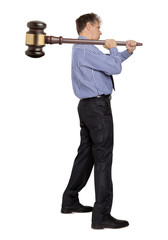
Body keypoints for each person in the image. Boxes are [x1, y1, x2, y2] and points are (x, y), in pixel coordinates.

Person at [61, 13, 136, 229]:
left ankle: (70, 200)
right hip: (97, 108)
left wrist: (127, 52)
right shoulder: (85, 48)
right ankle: (101, 215)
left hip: (87, 108)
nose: (101, 32)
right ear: (88, 26)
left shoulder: (84, 49)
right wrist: (112, 48)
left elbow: (108, 64)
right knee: (103, 158)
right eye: (98, 28)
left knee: (86, 155)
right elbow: (114, 68)